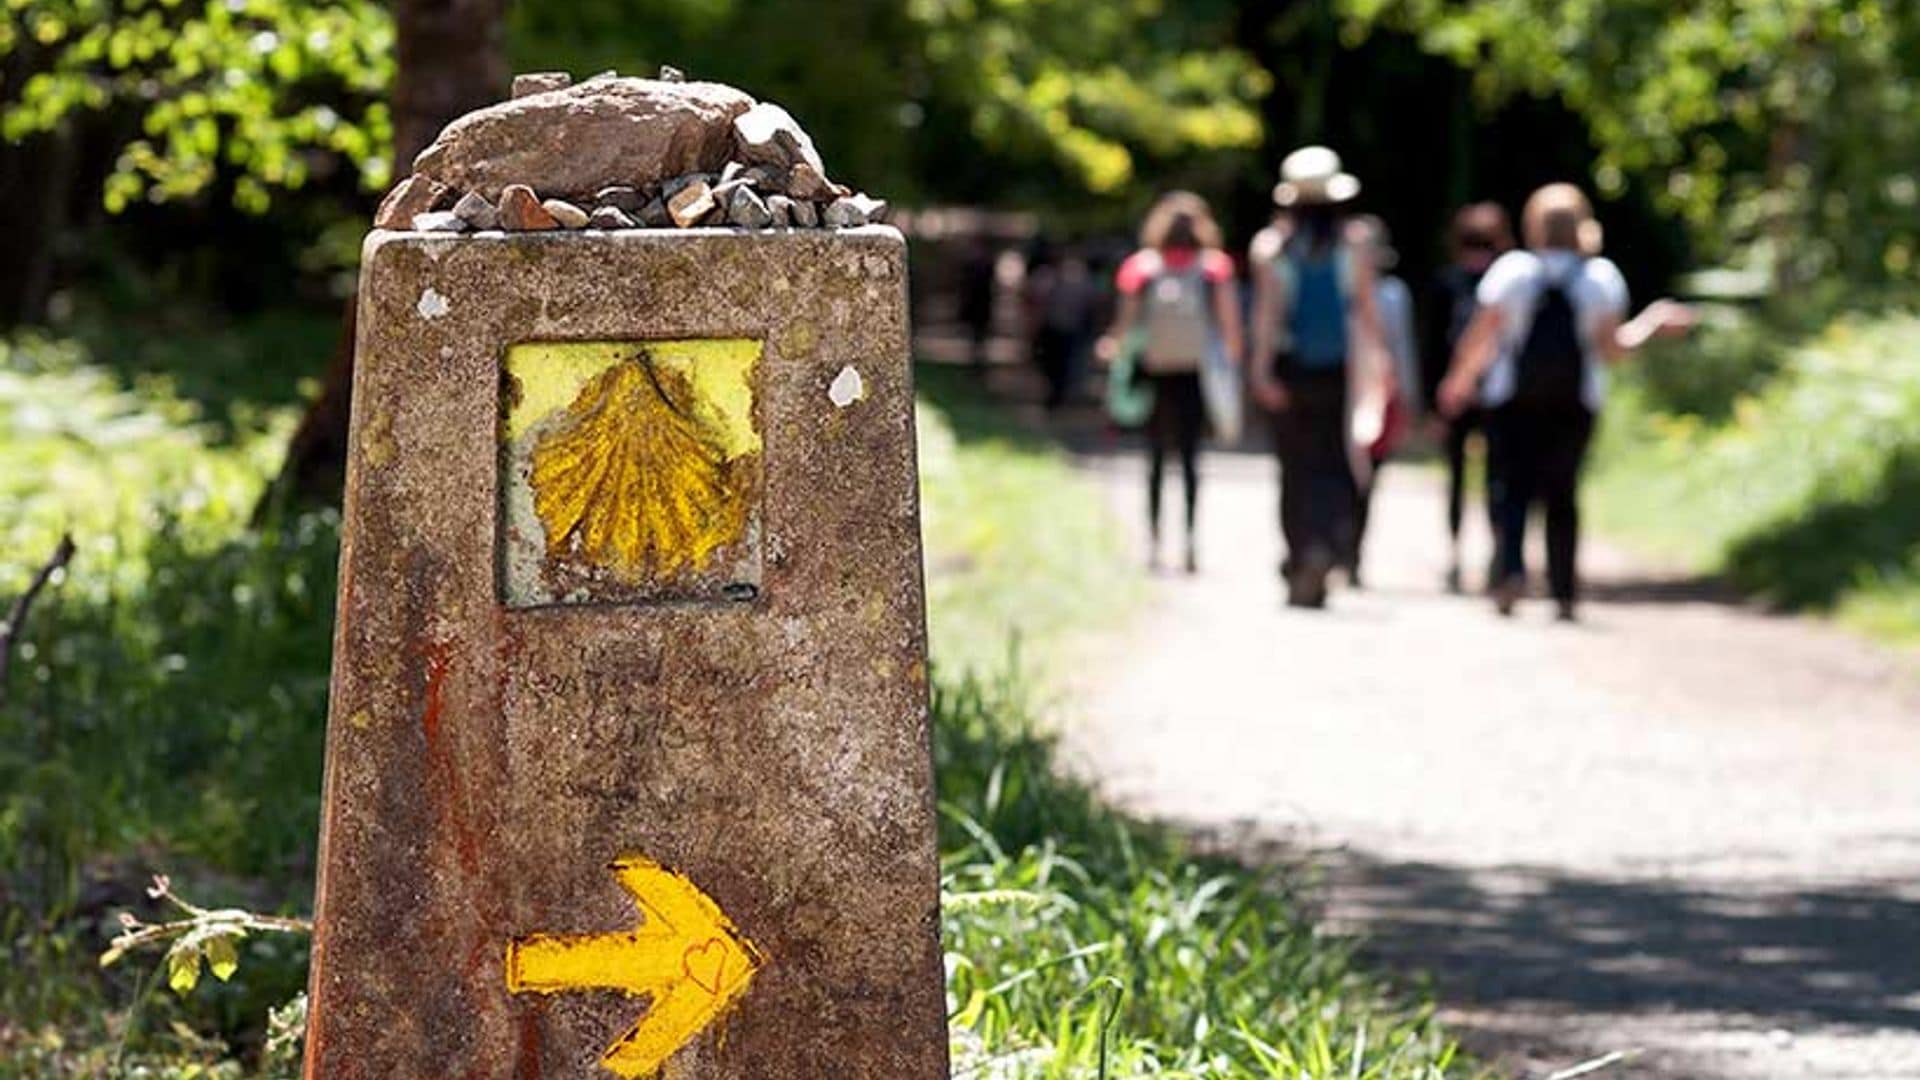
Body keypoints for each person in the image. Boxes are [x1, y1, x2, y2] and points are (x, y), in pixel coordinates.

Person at [1438, 183, 1693, 620]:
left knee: (1511, 488)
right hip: (1576, 402)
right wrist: (1652, 323)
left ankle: (1510, 573)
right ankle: (1562, 591)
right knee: (1562, 493)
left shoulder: (1512, 271)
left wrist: (1457, 383)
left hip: (1510, 400)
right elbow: (1613, 349)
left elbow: (1481, 338)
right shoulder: (1600, 277)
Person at [1248, 147, 1393, 608]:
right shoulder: (1355, 246)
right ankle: (1325, 548)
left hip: (1291, 371)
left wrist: (1260, 371)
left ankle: (1300, 552)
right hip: (1339, 372)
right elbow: (1367, 313)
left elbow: (1267, 319)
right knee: (1335, 463)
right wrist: (1381, 369)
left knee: (1294, 468)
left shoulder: (1271, 248)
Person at [1100, 191, 1243, 573]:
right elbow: (1229, 328)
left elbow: (1126, 324)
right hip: (1196, 374)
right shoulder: (1215, 268)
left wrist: (1114, 350)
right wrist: (1233, 367)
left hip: (1155, 371)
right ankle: (1191, 541)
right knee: (1192, 459)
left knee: (1156, 460)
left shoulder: (1142, 267)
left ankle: (1154, 541)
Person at [1423, 203, 1514, 592]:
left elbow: (1432, 347)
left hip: (1454, 394)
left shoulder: (1447, 282)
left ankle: (1456, 556)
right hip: (1498, 393)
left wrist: (1434, 403)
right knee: (1499, 478)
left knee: (1457, 478)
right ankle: (1499, 553)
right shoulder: (1508, 280)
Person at [1344, 214, 1417, 588]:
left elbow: (1401, 350)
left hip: (1377, 395)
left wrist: (1405, 399)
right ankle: (1342, 552)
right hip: (1344, 395)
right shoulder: (1337, 290)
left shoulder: (1391, 295)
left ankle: (1352, 554)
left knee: (1367, 479)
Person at [1027, 246, 1100, 410]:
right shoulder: (1052, 278)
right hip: (1056, 330)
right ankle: (1057, 394)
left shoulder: (1080, 282)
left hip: (1067, 330)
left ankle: (1058, 395)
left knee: (1061, 366)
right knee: (1057, 365)